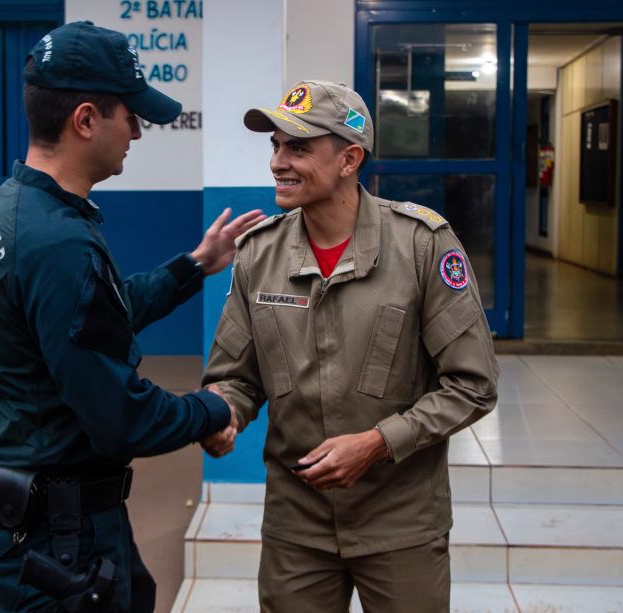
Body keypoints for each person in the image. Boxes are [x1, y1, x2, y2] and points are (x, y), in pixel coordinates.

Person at [0, 21, 264, 613]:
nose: (136, 131)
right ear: (84, 120)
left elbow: (94, 318)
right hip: (59, 538)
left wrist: (193, 267)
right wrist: (214, 408)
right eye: (131, 116)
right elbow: (122, 418)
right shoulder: (57, 242)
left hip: (53, 522)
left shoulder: (22, 207)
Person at [201, 80, 499, 612]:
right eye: (274, 146)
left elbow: (473, 385)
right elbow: (237, 376)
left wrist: (378, 443)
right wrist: (222, 413)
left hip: (401, 522)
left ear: (349, 159)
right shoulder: (258, 256)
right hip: (297, 526)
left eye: (297, 147)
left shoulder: (421, 245)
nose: (277, 163)